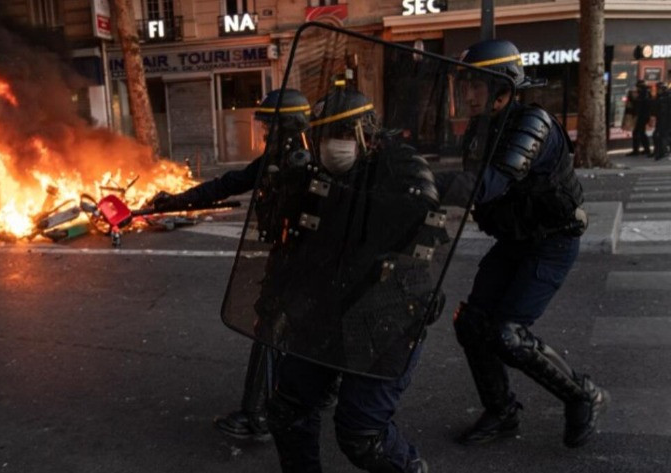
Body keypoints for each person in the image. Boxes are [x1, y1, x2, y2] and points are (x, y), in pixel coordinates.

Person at [260, 86, 440, 473]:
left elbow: (426, 221)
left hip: (386, 313)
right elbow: (301, 242)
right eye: (323, 137)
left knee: (362, 436)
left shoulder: (403, 166)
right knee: (287, 409)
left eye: (339, 136)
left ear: (366, 133)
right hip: (328, 308)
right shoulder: (318, 174)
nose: (329, 147)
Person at [150, 88, 338, 442]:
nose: (264, 133)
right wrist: (174, 202)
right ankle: (322, 390)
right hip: (293, 257)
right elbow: (228, 184)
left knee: (269, 329)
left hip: (303, 261)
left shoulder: (308, 163)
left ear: (286, 125)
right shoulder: (275, 160)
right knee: (305, 330)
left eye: (270, 126)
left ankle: (258, 416)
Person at [447, 39, 609, 449]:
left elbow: (484, 185)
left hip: (552, 243)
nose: (467, 94)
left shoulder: (531, 123)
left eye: (476, 86)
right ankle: (501, 410)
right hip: (515, 241)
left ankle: (582, 394)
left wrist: (420, 182)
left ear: (504, 88)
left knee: (509, 335)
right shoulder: (484, 127)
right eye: (464, 85)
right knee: (471, 323)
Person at [628, 80, 652, 156]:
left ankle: (638, 150)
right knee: (641, 133)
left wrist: (632, 99)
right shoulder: (647, 93)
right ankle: (646, 149)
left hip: (641, 116)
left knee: (637, 133)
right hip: (643, 116)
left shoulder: (643, 94)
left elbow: (639, 103)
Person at [653, 82, 670, 160]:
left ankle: (662, 152)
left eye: (658, 89)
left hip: (665, 120)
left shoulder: (665, 98)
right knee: (660, 136)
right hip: (662, 119)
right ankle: (660, 152)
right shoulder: (661, 97)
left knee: (662, 136)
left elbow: (662, 110)